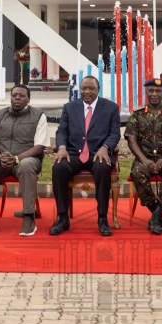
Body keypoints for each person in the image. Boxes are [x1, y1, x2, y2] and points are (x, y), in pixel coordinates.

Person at [50, 76, 121, 237]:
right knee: (59, 168)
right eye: (83, 88)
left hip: (97, 153)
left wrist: (105, 148)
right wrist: (61, 147)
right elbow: (62, 131)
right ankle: (62, 218)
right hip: (74, 153)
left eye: (91, 88)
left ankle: (102, 218)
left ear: (98, 90)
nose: (87, 92)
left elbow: (115, 133)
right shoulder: (70, 107)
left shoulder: (110, 108)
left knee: (103, 167)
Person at [0, 84, 47, 237]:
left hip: (27, 159)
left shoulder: (38, 115)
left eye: (21, 96)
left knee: (27, 166)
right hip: (2, 161)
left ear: (28, 99)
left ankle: (28, 217)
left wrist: (16, 158)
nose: (17, 98)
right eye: (14, 95)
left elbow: (39, 146)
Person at [125, 78, 162, 235]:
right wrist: (145, 160)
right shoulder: (137, 115)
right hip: (144, 159)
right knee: (138, 173)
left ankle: (156, 216)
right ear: (146, 93)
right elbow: (131, 140)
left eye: (158, 91)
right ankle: (158, 215)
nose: (155, 94)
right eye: (151, 91)